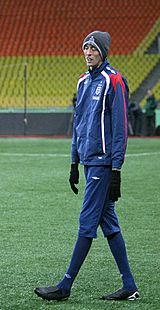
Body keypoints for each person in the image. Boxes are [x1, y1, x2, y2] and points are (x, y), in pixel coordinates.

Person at [34, 31, 139, 302]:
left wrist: (116, 168)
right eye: (85, 48)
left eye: (93, 48)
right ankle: (129, 285)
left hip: (103, 164)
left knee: (87, 222)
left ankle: (65, 286)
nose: (88, 52)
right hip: (88, 161)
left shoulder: (113, 80)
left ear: (103, 52)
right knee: (109, 224)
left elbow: (119, 128)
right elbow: (79, 125)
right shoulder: (82, 82)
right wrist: (73, 161)